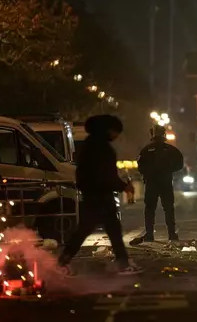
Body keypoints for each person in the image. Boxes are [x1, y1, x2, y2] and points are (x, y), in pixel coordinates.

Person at [57, 115, 143, 275]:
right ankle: (122, 264)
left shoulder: (89, 146)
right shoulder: (102, 149)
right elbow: (106, 175)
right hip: (101, 196)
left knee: (100, 229)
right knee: (104, 229)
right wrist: (123, 186)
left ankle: (64, 260)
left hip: (92, 194)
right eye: (116, 131)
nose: (116, 136)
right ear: (108, 130)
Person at [137, 124, 184, 242]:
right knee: (168, 209)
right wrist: (169, 170)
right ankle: (172, 234)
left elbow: (140, 166)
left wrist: (148, 173)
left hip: (152, 183)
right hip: (165, 182)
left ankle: (149, 235)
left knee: (150, 209)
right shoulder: (171, 150)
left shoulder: (146, 150)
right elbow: (179, 164)